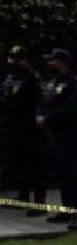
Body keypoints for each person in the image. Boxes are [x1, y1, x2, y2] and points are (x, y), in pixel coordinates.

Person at [37, 48, 77, 231]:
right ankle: (66, 209)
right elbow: (44, 101)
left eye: (53, 61)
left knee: (71, 175)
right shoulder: (54, 81)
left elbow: (72, 108)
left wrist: (49, 118)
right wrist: (41, 115)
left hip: (70, 135)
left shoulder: (75, 82)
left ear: (63, 62)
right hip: (55, 134)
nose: (50, 64)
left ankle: (75, 214)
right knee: (61, 174)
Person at [1, 46, 46, 216]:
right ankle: (23, 196)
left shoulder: (34, 78)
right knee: (18, 163)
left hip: (31, 127)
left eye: (17, 59)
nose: (13, 62)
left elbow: (41, 101)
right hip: (14, 125)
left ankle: (39, 201)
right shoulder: (11, 77)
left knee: (34, 164)